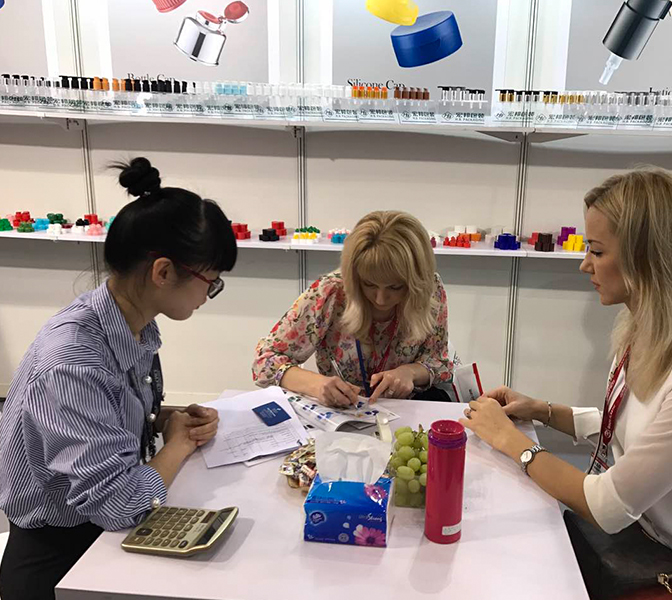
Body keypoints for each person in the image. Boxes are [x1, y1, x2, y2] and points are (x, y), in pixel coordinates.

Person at [460, 168, 672, 600]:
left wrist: (511, 441)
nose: (585, 264)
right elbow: (638, 429)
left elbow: (607, 507)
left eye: (597, 251)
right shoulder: (646, 331)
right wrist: (542, 411)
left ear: (647, 257)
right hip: (661, 556)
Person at [0, 157, 237, 600]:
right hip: (60, 557)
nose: (209, 294)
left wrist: (166, 420)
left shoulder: (131, 323)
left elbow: (112, 414)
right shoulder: (73, 361)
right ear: (163, 272)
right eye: (211, 281)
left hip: (95, 534)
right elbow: (120, 503)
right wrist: (179, 443)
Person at [253, 210, 453, 406]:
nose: (381, 299)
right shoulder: (331, 292)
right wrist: (316, 385)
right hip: (342, 411)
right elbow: (265, 361)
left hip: (405, 410)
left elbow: (439, 362)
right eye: (369, 284)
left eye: (395, 287)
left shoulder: (430, 290)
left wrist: (410, 372)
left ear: (416, 282)